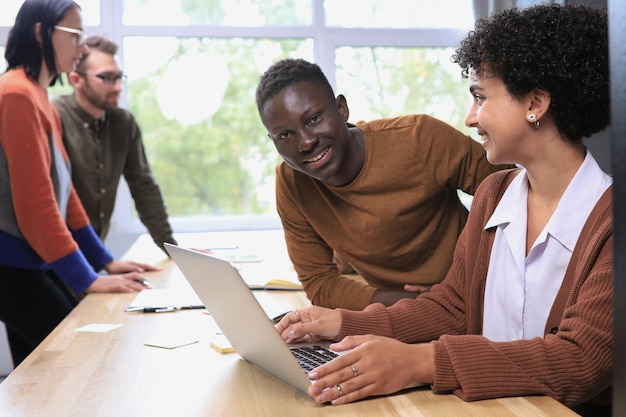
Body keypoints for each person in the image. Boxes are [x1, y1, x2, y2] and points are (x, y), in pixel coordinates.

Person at [276, 4, 612, 415]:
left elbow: (579, 360)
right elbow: (453, 307)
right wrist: (344, 323)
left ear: (535, 103)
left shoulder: (611, 220)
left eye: (479, 97)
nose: (470, 118)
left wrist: (421, 361)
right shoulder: (494, 193)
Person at [256, 58, 514, 310]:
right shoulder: (291, 182)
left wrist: (464, 285)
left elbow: (517, 197)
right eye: (285, 135)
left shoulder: (420, 138)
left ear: (341, 109)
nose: (305, 142)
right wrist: (415, 305)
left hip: (483, 297)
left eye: (314, 119)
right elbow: (320, 284)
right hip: (396, 314)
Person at [0, 0, 159, 367]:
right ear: (41, 33)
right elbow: (37, 207)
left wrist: (104, 261)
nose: (83, 47)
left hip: (28, 262)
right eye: (75, 35)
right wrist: (87, 279)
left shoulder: (39, 95)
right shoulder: (15, 94)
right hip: (10, 265)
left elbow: (64, 193)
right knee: (78, 357)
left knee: (38, 376)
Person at [52, 35, 177, 255]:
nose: (118, 87)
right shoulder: (53, 116)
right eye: (107, 78)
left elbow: (144, 187)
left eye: (119, 77)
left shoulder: (123, 123)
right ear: (76, 80)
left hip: (95, 257)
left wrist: (174, 251)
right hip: (53, 258)